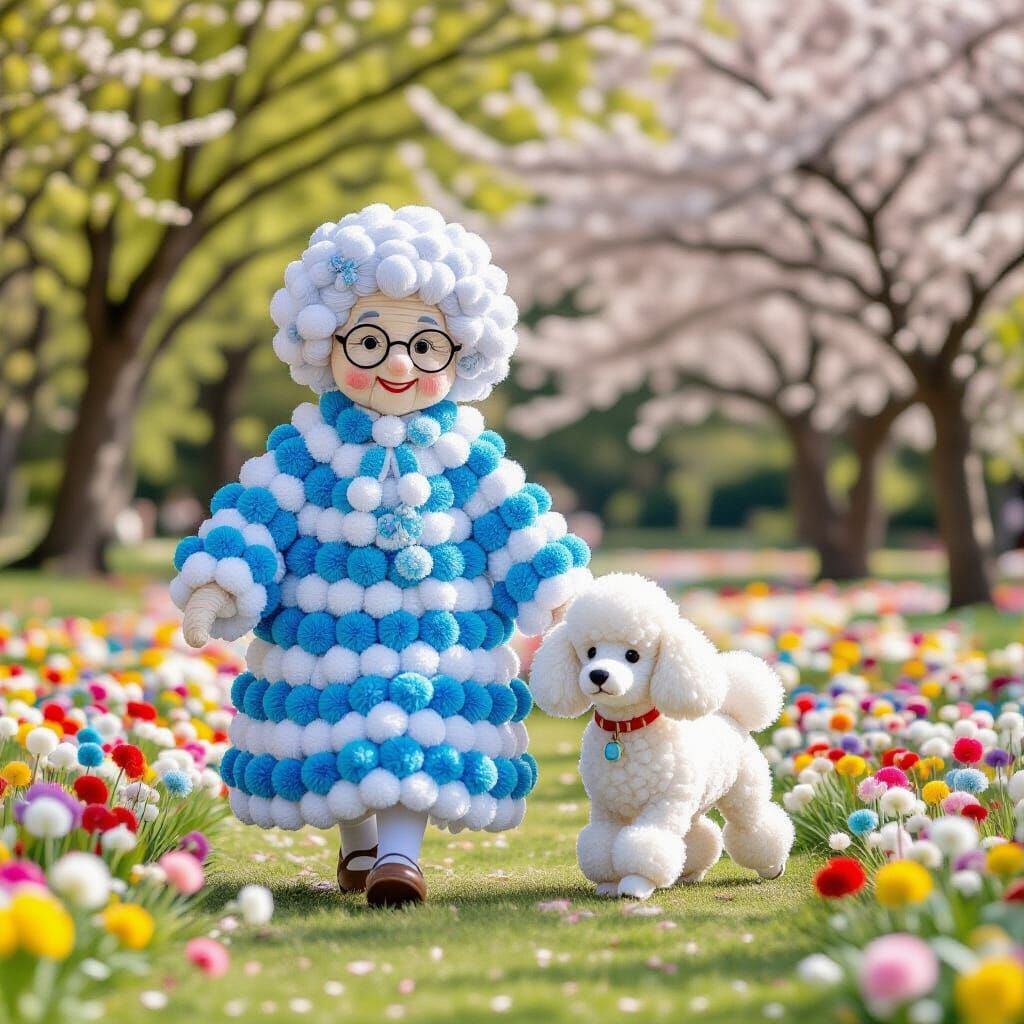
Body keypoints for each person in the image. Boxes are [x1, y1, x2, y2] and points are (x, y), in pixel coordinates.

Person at [172, 204, 592, 906]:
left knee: (413, 725)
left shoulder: (465, 456)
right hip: (322, 627)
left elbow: (512, 521)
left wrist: (558, 589)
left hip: (437, 635)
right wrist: (219, 582)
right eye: (370, 342)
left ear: (460, 355)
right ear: (328, 345)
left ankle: (400, 857)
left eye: (426, 348)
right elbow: (257, 514)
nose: (398, 362)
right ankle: (360, 843)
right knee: (343, 737)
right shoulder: (306, 451)